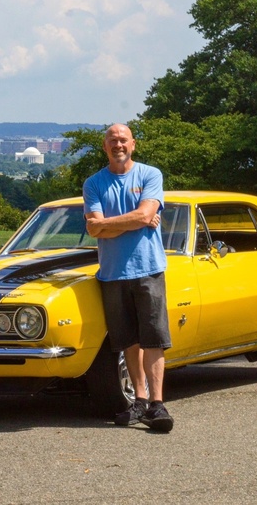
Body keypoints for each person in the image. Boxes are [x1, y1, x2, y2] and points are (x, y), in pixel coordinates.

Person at [83, 123, 174, 433]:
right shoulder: (94, 183)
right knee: (128, 342)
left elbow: (143, 216)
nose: (118, 144)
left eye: (123, 140)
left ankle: (157, 404)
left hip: (148, 268)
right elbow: (94, 228)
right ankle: (139, 399)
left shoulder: (150, 174)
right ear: (104, 147)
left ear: (133, 144)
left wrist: (109, 223)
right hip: (112, 273)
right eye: (112, 140)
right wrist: (136, 220)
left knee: (153, 338)